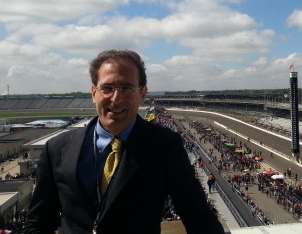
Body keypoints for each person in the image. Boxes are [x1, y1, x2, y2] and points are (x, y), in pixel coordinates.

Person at [23, 49, 225, 234]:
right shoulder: (57, 147)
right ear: (94, 93)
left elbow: (198, 217)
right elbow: (38, 222)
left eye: (126, 88)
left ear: (142, 94)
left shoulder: (165, 145)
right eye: (107, 88)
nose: (116, 98)